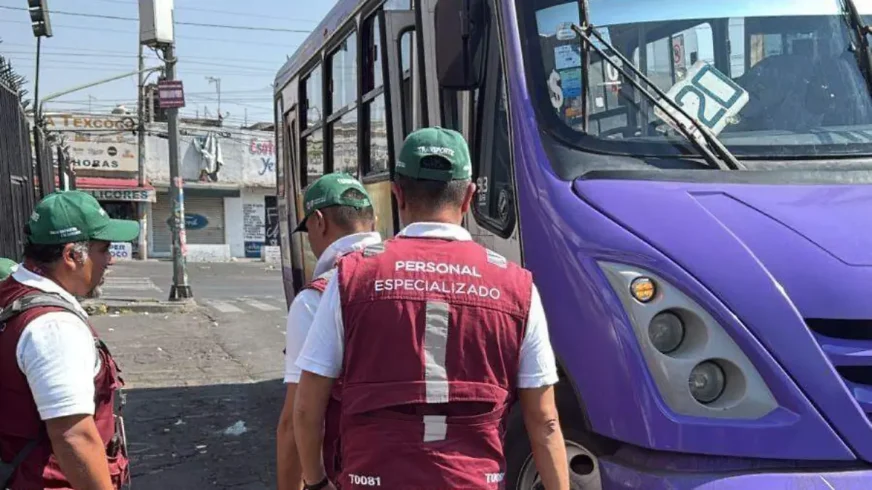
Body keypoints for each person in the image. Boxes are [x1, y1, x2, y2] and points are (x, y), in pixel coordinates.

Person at [293, 127, 570, 490]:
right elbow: (545, 420)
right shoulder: (516, 287)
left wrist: (315, 482)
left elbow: (306, 407)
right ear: (469, 197)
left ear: (397, 194)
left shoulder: (352, 277)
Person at [0, 191, 137, 490]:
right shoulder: (54, 327)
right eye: (104, 249)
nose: (110, 260)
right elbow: (73, 435)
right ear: (72, 255)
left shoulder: (11, 290)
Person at [276, 173, 381, 490]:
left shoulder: (315, 298)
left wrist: (311, 481)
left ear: (319, 222)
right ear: (373, 221)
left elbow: (297, 419)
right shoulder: (411, 276)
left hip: (353, 469)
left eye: (307, 229)